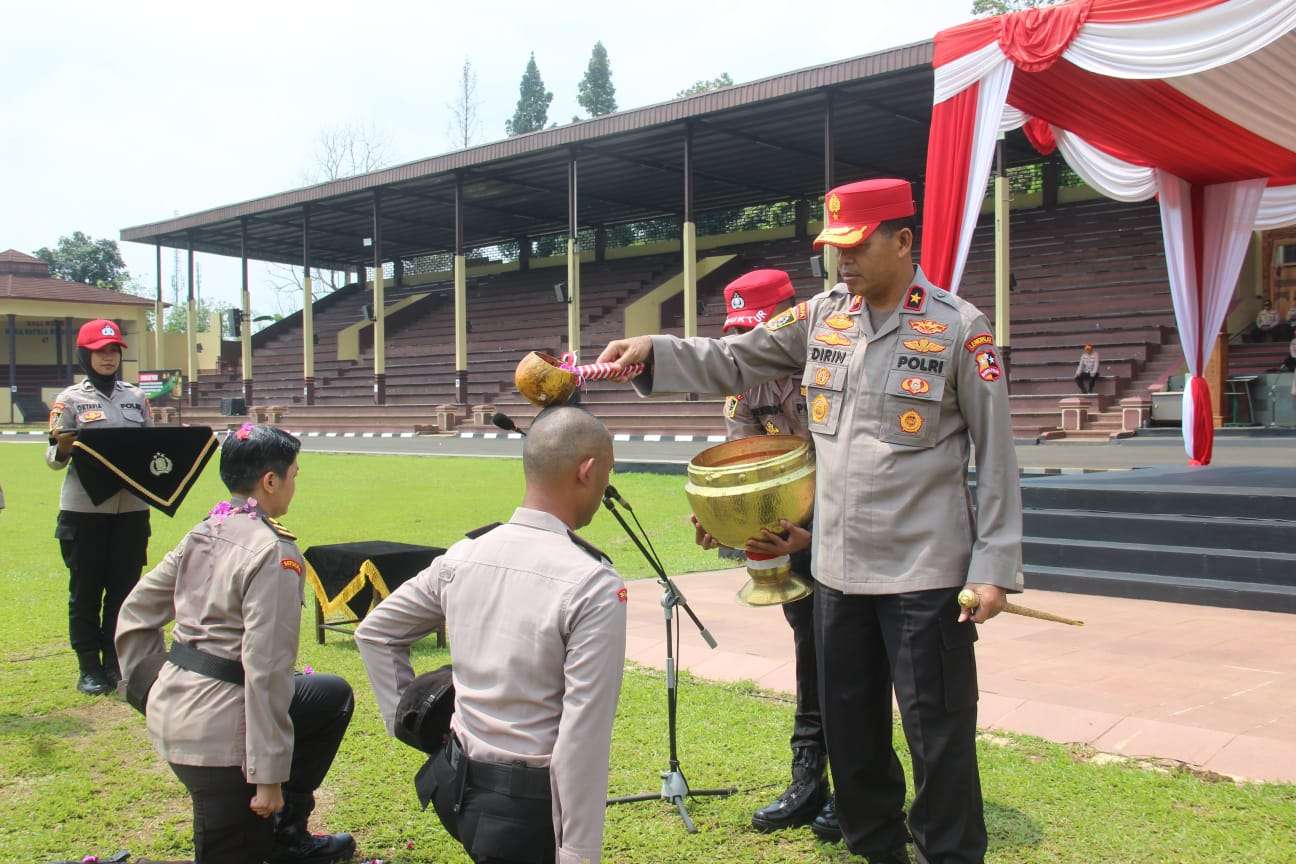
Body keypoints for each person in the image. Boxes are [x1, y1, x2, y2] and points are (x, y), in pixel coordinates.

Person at [596, 178, 1023, 864]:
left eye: (856, 246)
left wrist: (993, 568)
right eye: (834, 248)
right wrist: (654, 348)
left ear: (902, 240)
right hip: (838, 573)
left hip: (923, 576)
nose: (841, 261)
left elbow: (997, 457)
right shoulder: (820, 317)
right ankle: (878, 850)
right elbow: (734, 359)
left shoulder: (959, 329)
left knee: (938, 740)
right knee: (852, 740)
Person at [355, 406, 626, 864]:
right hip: (525, 809)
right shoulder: (592, 583)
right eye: (608, 473)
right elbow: (583, 739)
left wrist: (408, 721)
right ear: (587, 471)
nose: (605, 488)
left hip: (454, 784)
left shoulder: (465, 555)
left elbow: (376, 633)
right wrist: (579, 854)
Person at [115, 424, 356, 864]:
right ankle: (268, 827)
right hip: (220, 732)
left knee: (329, 696)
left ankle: (286, 834)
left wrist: (148, 688)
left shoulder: (206, 529)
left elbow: (135, 611)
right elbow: (266, 668)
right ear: (270, 481)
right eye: (294, 475)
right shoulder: (273, 551)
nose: (295, 484)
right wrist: (268, 776)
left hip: (178, 707)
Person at [697, 268, 836, 839]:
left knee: (855, 663)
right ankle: (808, 781)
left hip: (851, 535)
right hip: (792, 540)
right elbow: (746, 471)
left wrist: (821, 533)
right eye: (738, 333)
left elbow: (857, 472)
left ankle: (863, 786)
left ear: (790, 319)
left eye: (757, 330)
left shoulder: (831, 366)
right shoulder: (744, 386)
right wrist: (722, 518)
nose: (749, 344)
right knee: (811, 656)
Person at [46, 319, 154, 695]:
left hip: (131, 509)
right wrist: (62, 446)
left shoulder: (136, 398)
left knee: (125, 589)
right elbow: (53, 459)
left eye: (113, 351)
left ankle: (115, 662)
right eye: (99, 351)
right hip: (84, 511)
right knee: (86, 591)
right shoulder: (70, 400)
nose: (108, 358)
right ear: (84, 355)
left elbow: (150, 447)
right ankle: (89, 666)